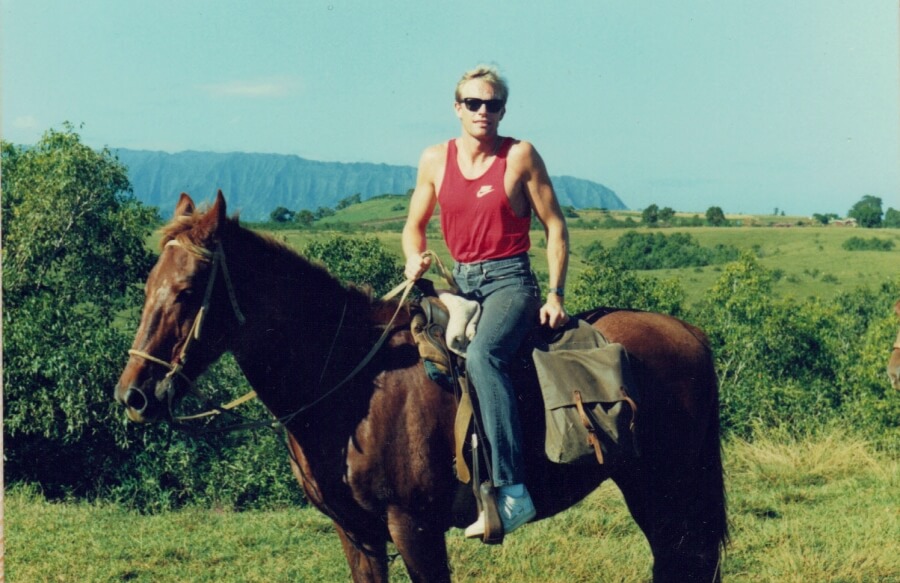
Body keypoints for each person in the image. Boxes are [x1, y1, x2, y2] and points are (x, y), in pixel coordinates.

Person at [402, 64, 570, 538]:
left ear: (502, 110)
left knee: (483, 355)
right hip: (457, 282)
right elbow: (413, 226)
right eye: (473, 103)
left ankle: (513, 491)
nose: (483, 111)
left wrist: (555, 293)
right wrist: (414, 259)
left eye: (492, 104)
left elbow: (554, 224)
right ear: (457, 108)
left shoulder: (520, 156)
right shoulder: (435, 159)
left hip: (510, 281)